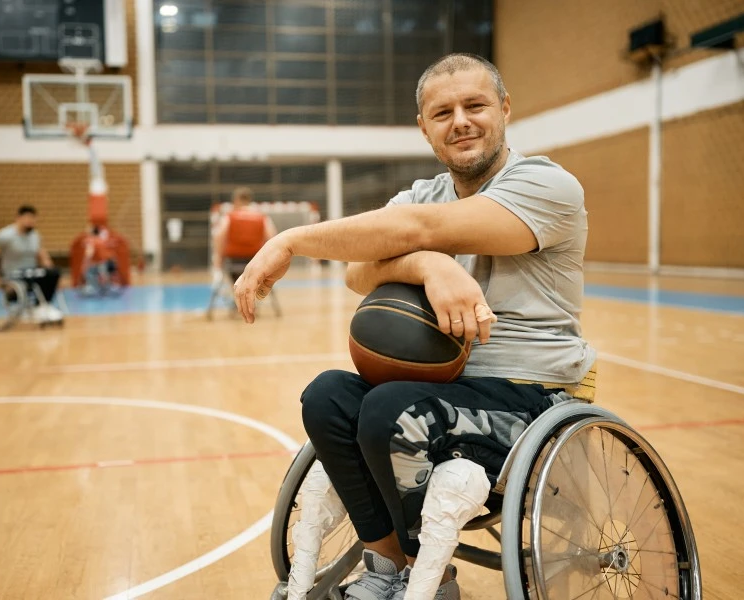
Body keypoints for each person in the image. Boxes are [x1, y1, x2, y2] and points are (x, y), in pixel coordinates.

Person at [234, 53, 596, 600]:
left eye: (475, 105)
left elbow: (418, 228)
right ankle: (385, 566)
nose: (461, 122)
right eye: (442, 112)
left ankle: (423, 578)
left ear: (504, 108)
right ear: (424, 128)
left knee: (389, 407)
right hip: (439, 389)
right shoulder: (422, 192)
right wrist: (429, 264)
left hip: (527, 394)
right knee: (328, 395)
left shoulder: (548, 185)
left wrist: (289, 240)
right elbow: (360, 271)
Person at [0, 205, 64, 323]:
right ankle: (14, 300)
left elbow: (43, 256)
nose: (30, 221)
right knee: (29, 278)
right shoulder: (6, 235)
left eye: (33, 218)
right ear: (18, 218)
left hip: (31, 273)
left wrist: (55, 278)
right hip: (13, 275)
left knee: (53, 273)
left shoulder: (35, 236)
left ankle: (42, 306)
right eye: (27, 218)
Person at [212, 187, 277, 282]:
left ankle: (238, 291)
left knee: (235, 278)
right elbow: (272, 237)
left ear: (236, 200)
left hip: (233, 260)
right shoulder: (262, 217)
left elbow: (218, 238)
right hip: (256, 259)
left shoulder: (229, 217)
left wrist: (218, 260)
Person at [81, 225, 119, 295]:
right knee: (103, 275)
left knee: (89, 274)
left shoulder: (91, 240)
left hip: (96, 263)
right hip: (103, 261)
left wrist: (86, 261)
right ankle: (104, 288)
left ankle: (93, 288)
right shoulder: (101, 240)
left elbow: (89, 252)